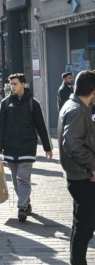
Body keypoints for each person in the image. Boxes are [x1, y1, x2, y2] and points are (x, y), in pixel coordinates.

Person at [0, 73, 53, 222]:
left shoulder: (33, 103)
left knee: (23, 179)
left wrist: (47, 147)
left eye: (15, 84)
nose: (12, 87)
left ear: (23, 84)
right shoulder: (6, 103)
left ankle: (21, 208)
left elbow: (41, 127)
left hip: (27, 147)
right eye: (11, 84)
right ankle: (26, 203)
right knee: (15, 181)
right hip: (10, 148)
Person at [58, 70, 95, 265]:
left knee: (80, 226)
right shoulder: (77, 110)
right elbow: (71, 143)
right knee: (85, 228)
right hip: (82, 177)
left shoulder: (73, 105)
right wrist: (93, 166)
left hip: (78, 175)